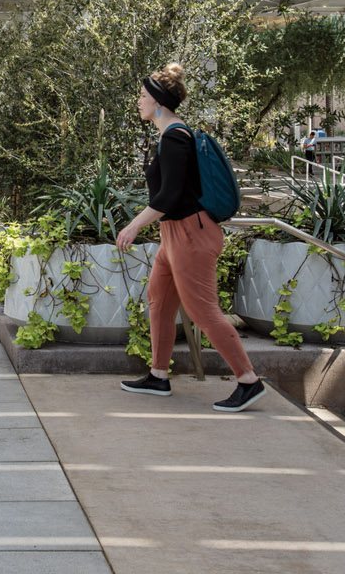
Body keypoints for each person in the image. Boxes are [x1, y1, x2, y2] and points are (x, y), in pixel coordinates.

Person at [114, 63, 267, 413]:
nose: (138, 102)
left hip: (191, 234)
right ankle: (158, 374)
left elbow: (167, 198)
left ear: (159, 103)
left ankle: (248, 381)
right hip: (174, 235)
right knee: (160, 301)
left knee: (203, 311)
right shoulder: (170, 137)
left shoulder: (175, 138)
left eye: (142, 97)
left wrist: (134, 225)